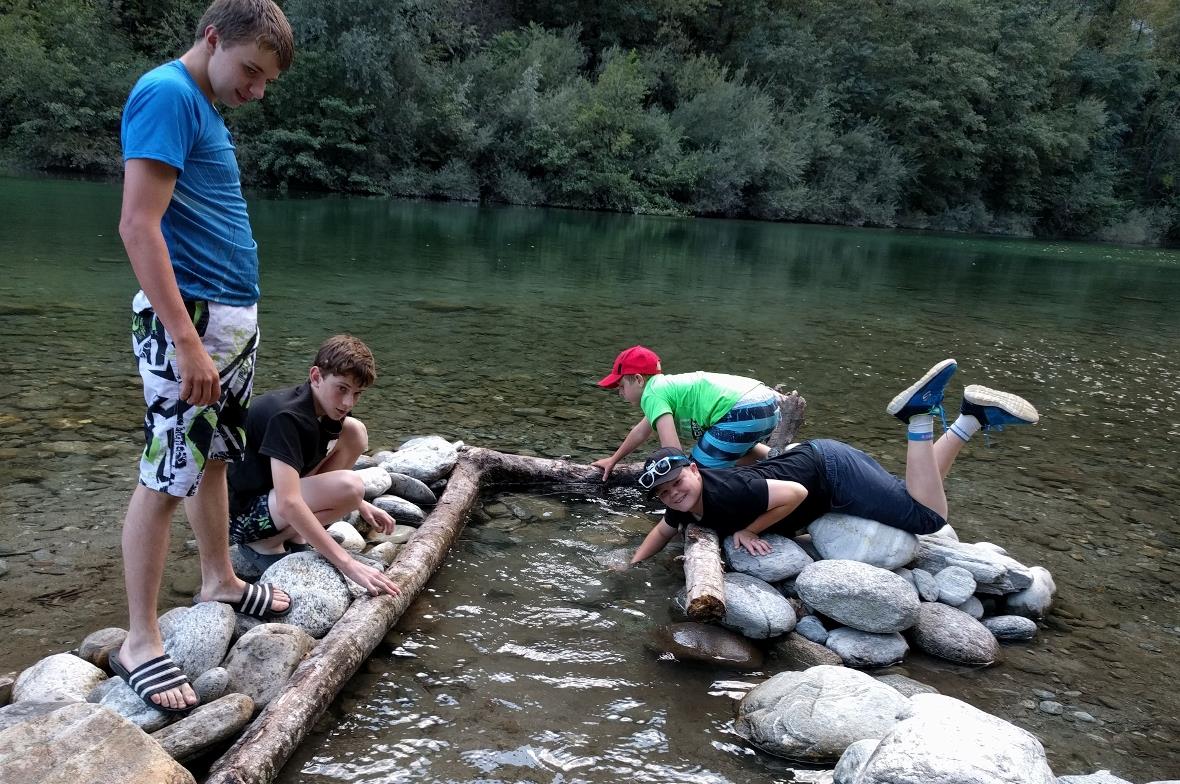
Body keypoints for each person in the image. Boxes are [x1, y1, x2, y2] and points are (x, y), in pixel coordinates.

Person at [114, 0, 294, 714]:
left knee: (215, 456)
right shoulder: (166, 93)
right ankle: (139, 640)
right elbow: (137, 225)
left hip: (226, 320)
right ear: (212, 38)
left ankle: (218, 576)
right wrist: (186, 340)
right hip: (189, 319)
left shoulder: (203, 105)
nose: (254, 90)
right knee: (165, 475)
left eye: (264, 82)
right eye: (249, 71)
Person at [628, 358, 1039, 564]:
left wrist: (750, 530)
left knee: (929, 519)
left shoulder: (730, 489)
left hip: (830, 474)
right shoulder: (683, 506)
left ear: (695, 469)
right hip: (823, 461)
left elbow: (795, 493)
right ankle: (971, 418)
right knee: (912, 490)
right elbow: (662, 533)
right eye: (664, 493)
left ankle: (917, 416)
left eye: (677, 483)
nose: (673, 494)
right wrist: (630, 566)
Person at [226, 334, 401, 600]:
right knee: (351, 485)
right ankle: (264, 544)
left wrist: (361, 505)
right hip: (243, 518)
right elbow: (289, 502)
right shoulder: (288, 417)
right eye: (341, 388)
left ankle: (294, 535)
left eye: (356, 394)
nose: (348, 403)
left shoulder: (323, 408)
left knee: (355, 432)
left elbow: (307, 473)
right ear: (316, 376)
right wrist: (348, 564)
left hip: (271, 499)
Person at [591, 345, 782, 479]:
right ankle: (780, 459)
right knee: (730, 449)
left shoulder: (652, 394)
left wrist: (678, 481)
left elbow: (673, 450)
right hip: (765, 403)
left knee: (696, 473)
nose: (620, 392)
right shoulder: (665, 388)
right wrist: (614, 460)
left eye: (622, 385)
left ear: (639, 379)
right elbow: (641, 431)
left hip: (741, 410)